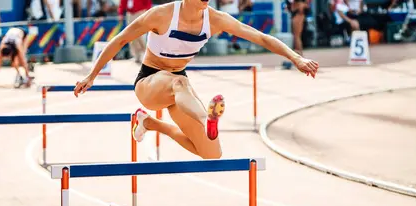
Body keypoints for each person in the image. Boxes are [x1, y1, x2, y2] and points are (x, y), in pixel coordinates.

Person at [74, 0, 319, 159]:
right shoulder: (161, 15)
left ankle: (151, 124)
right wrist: (91, 75)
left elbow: (260, 37)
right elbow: (119, 40)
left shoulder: (214, 19)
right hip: (149, 82)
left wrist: (296, 57)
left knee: (211, 153)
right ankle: (207, 120)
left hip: (179, 88)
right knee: (178, 83)